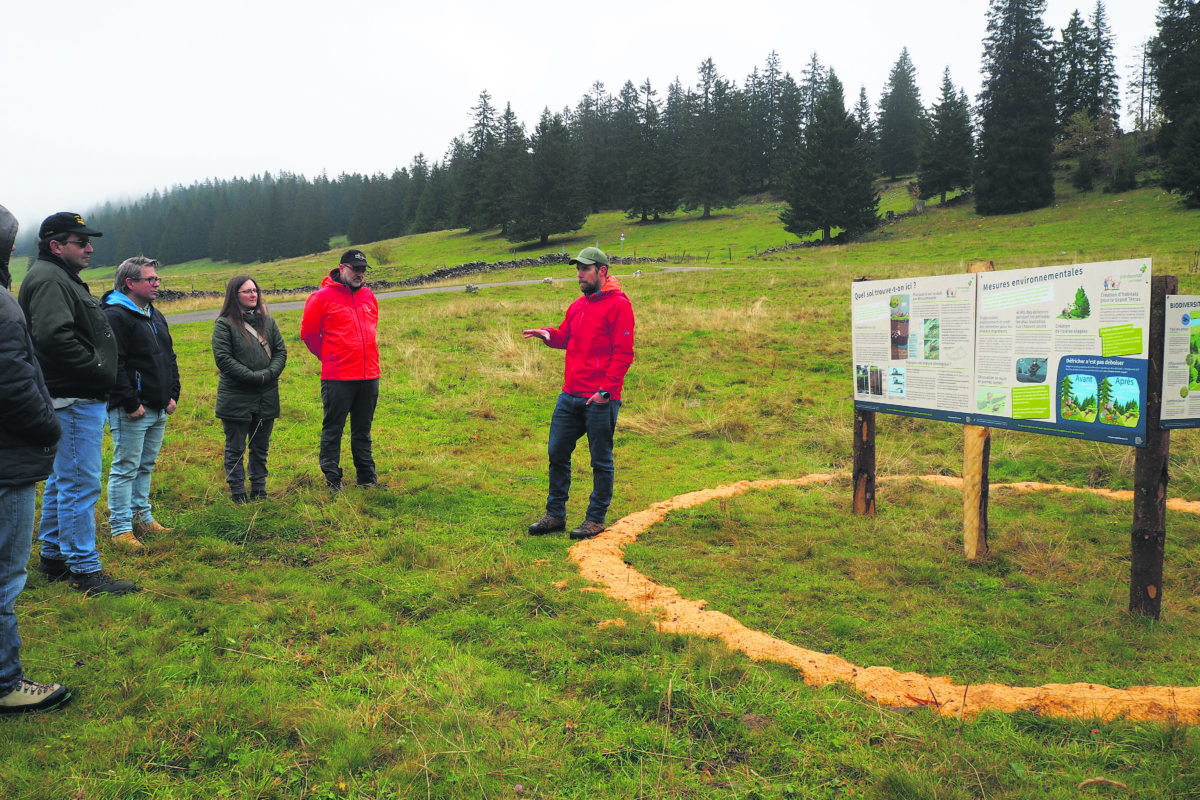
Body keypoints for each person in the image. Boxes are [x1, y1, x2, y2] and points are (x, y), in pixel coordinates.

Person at [18, 212, 135, 596]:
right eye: (80, 242)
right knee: (80, 483)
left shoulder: (56, 276)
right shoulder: (50, 279)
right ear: (56, 246)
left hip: (73, 394)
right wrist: (98, 370)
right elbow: (53, 337)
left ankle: (53, 556)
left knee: (62, 479)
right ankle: (84, 569)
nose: (89, 248)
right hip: (72, 396)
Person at [0, 205, 72, 713]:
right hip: (7, 460)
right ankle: (5, 682)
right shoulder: (2, 306)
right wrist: (49, 427)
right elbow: (15, 383)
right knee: (5, 574)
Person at [523, 247, 635, 540]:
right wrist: (548, 335)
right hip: (570, 395)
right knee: (556, 452)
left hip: (599, 398)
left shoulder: (619, 306)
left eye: (585, 269)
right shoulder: (577, 306)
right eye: (577, 269)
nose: (579, 274)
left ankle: (595, 519)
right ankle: (555, 515)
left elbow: (623, 354)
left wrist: (606, 393)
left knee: (600, 460)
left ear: (602, 271)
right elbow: (565, 338)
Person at [102, 257, 181, 549]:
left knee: (145, 465)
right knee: (126, 467)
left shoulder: (154, 314)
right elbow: (114, 364)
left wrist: (173, 394)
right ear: (130, 283)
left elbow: (169, 357)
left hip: (158, 406)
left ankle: (142, 517)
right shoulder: (115, 316)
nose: (157, 284)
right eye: (151, 279)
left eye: (157, 279)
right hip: (132, 410)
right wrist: (130, 401)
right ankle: (121, 529)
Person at [300, 249, 383, 491]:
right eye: (355, 269)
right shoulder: (321, 297)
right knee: (333, 428)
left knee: (363, 430)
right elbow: (309, 334)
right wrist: (329, 357)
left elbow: (371, 330)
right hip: (338, 376)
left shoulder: (368, 296)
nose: (360, 274)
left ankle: (367, 479)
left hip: (369, 375)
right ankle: (332, 480)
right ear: (341, 268)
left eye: (363, 270)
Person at [212, 275, 288, 503]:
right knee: (235, 449)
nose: (253, 295)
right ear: (234, 296)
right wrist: (254, 377)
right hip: (237, 397)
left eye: (255, 290)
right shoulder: (224, 324)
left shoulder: (269, 322)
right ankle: (238, 494)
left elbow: (281, 352)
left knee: (260, 447)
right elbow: (224, 359)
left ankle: (259, 490)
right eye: (247, 291)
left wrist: (269, 374)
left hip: (267, 395)